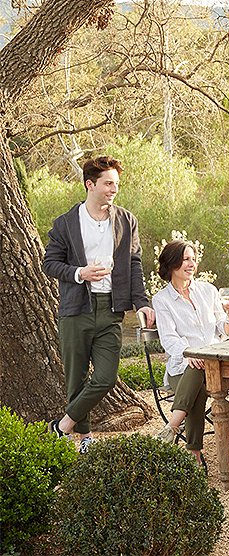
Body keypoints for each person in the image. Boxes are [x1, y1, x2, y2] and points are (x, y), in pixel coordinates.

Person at [43, 155, 155, 453]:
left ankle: (62, 426)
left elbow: (134, 263)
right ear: (89, 184)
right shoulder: (66, 223)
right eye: (107, 183)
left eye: (116, 184)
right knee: (76, 379)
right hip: (76, 310)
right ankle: (84, 438)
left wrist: (141, 302)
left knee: (105, 377)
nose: (113, 189)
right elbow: (50, 263)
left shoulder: (126, 220)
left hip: (111, 310)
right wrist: (80, 273)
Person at [152, 239, 229, 464]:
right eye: (186, 259)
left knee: (203, 363)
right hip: (182, 368)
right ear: (172, 263)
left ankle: (173, 429)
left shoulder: (208, 290)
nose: (192, 264)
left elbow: (225, 331)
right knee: (197, 369)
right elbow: (169, 340)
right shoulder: (162, 300)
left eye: (193, 259)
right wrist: (191, 354)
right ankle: (193, 452)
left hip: (216, 366)